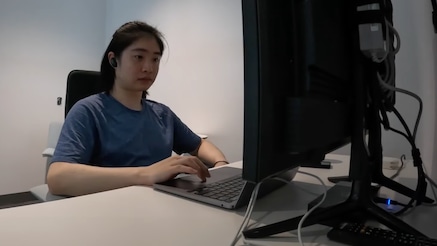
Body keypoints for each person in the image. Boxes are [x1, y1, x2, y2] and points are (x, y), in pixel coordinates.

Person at [47, 21, 229, 197]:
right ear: (113, 61)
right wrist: (146, 174)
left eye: (155, 59)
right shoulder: (88, 111)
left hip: (161, 207)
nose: (149, 67)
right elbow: (57, 177)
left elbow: (198, 145)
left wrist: (221, 164)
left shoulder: (163, 114)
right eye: (138, 57)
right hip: (108, 211)